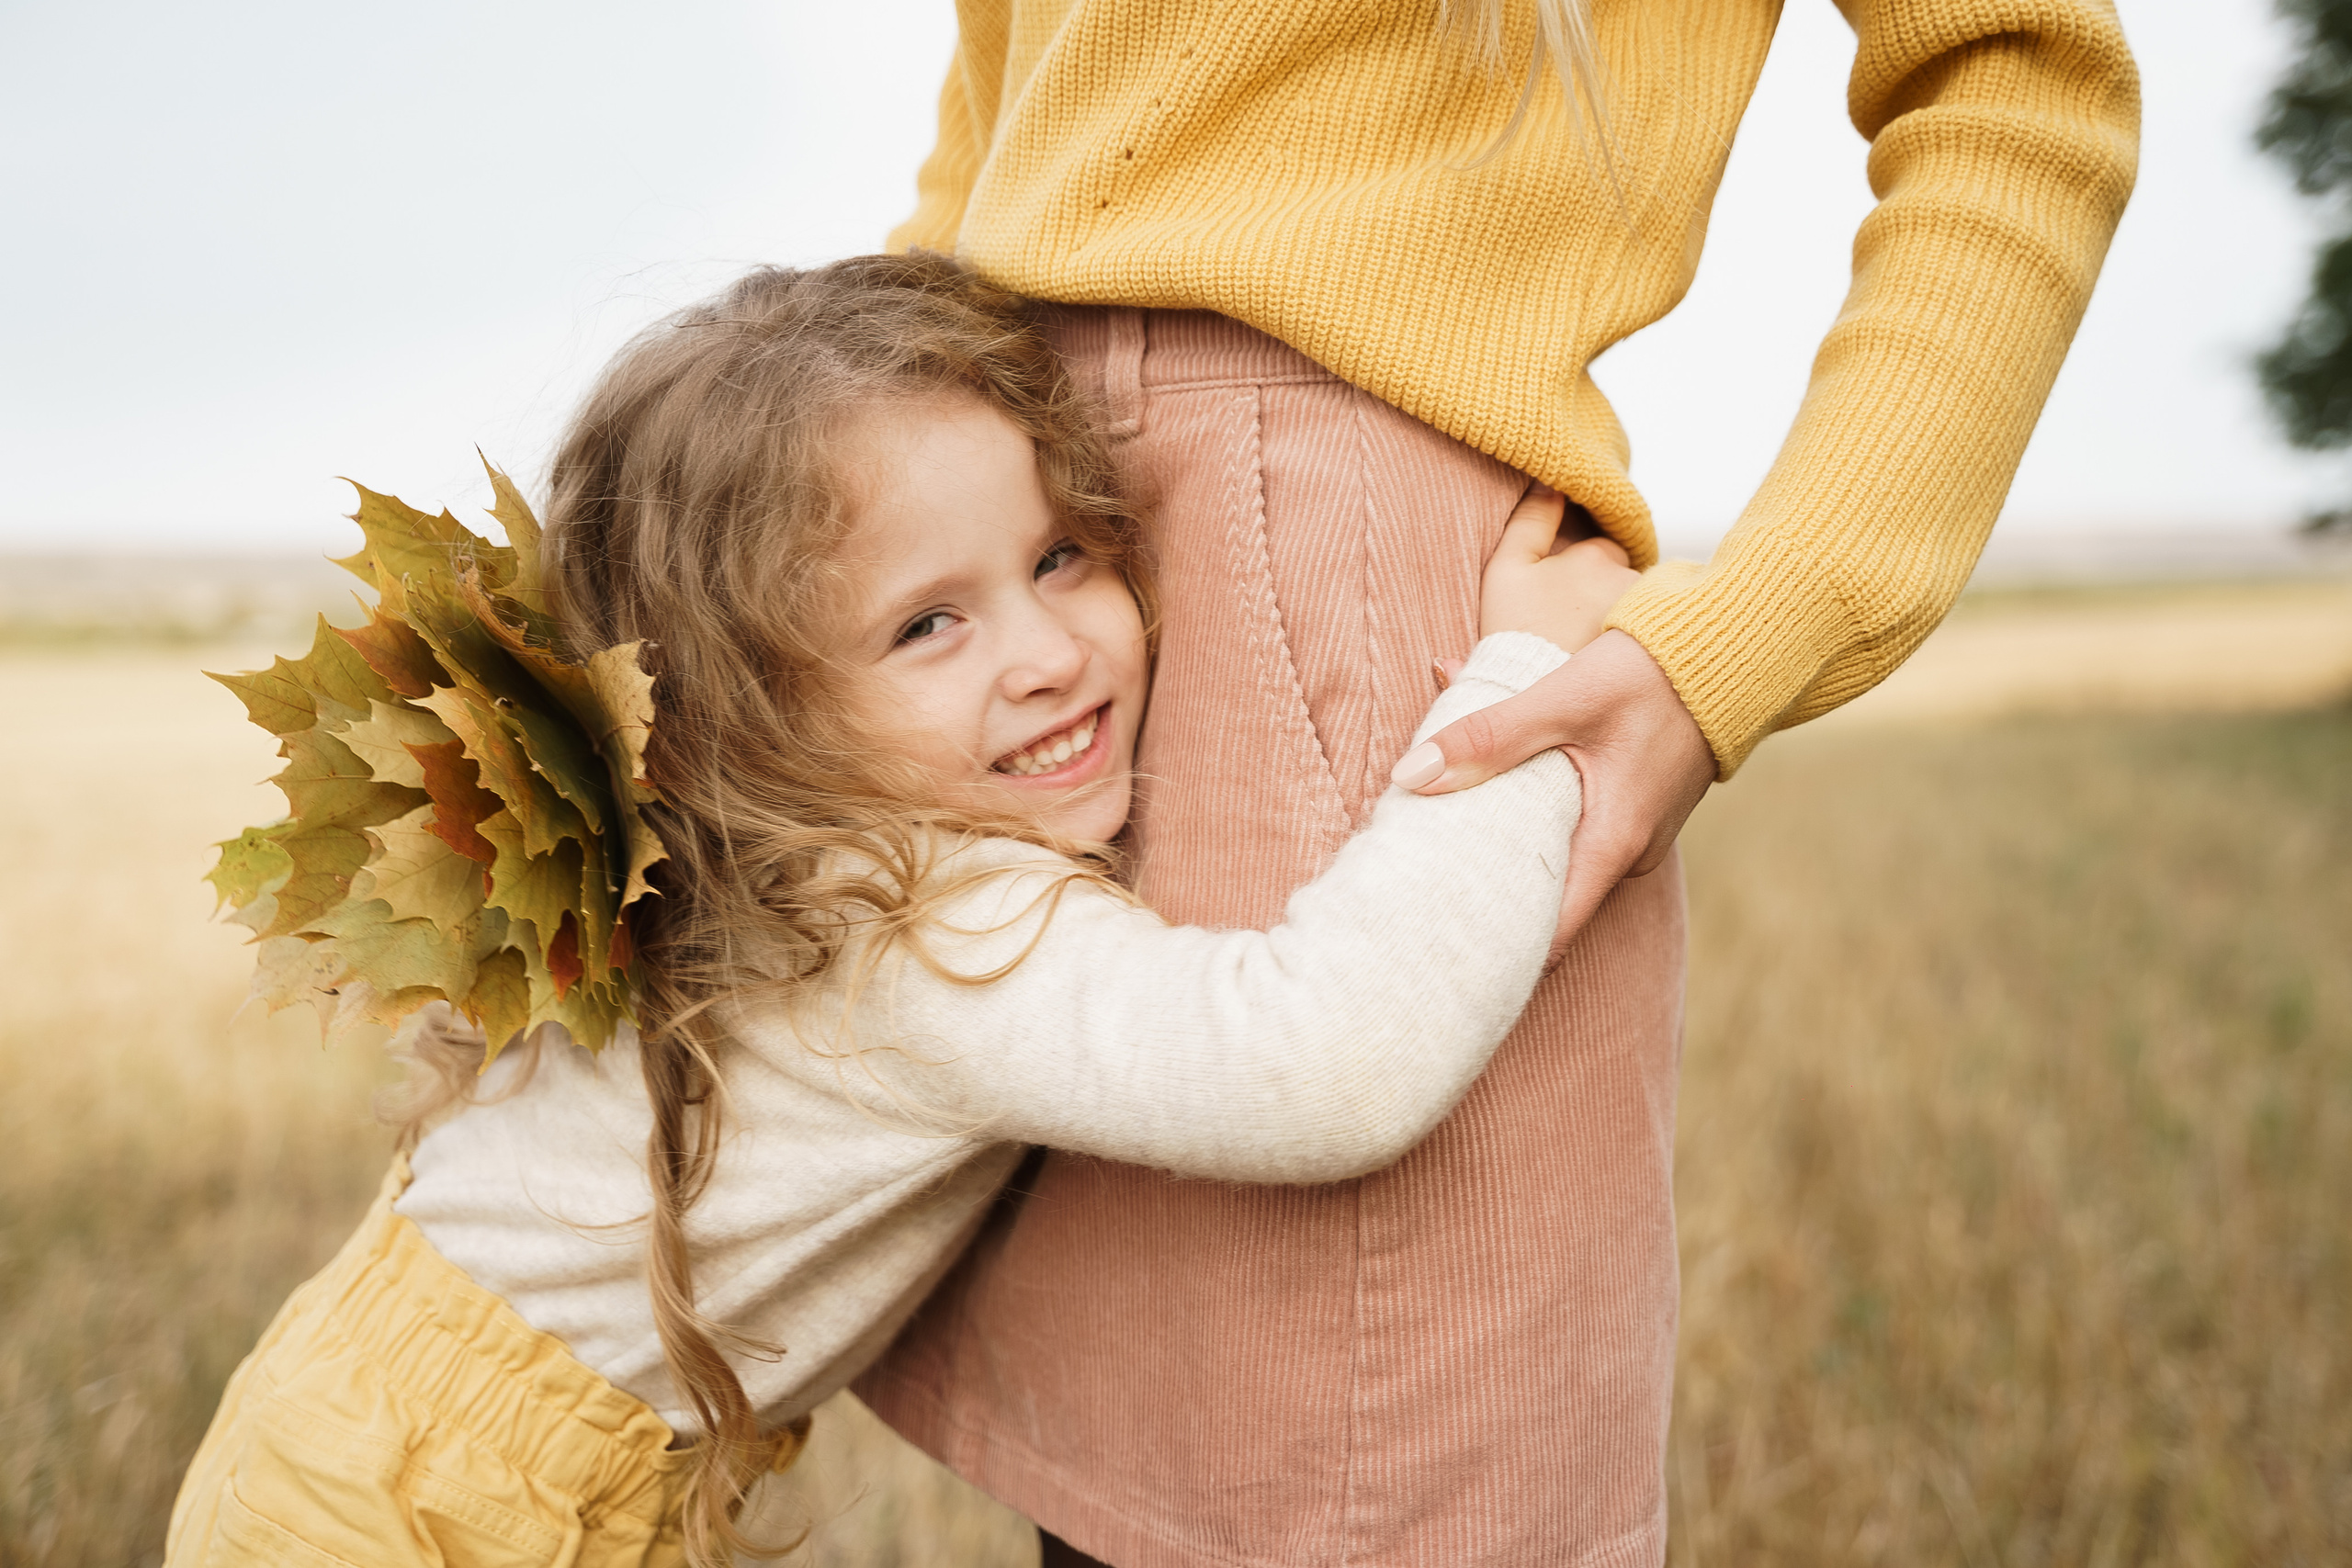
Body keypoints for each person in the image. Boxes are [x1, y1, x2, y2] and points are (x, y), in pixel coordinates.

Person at [854, 2, 2140, 1564]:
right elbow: (990, 122)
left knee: (1387, 1498)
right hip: (1023, 546)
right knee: (1123, 1496)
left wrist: (1757, 623)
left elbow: (2019, 70)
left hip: (1358, 602)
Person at [164, 254, 1647, 1568]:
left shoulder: (751, 848)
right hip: (415, 1513)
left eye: (1062, 555)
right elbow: (1325, 1064)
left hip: (380, 1436)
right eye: (926, 623)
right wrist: (1525, 677)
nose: (1048, 651)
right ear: (742, 710)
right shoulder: (909, 922)